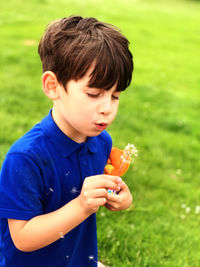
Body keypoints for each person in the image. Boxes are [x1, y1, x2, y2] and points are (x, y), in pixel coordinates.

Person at [0, 15, 134, 267]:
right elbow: (23, 238)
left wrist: (121, 198)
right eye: (94, 94)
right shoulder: (26, 158)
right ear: (53, 86)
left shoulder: (101, 141)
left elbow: (100, 193)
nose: (107, 108)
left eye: (115, 96)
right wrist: (82, 205)